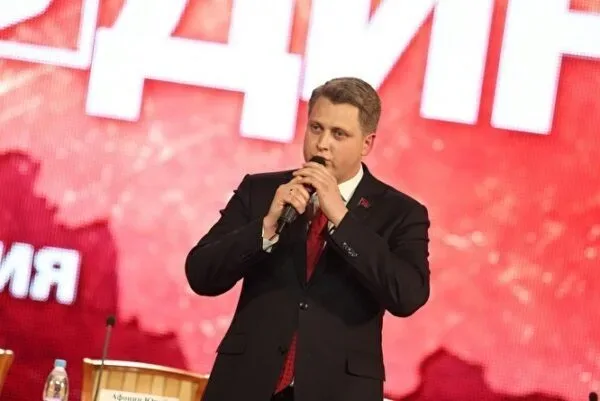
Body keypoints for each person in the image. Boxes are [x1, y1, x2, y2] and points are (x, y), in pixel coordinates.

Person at [185, 77, 431, 401]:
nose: (322, 144)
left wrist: (341, 219)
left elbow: (408, 295)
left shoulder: (400, 212)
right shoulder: (261, 191)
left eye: (339, 134)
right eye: (316, 128)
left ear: (367, 144)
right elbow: (201, 274)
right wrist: (266, 228)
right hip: (246, 384)